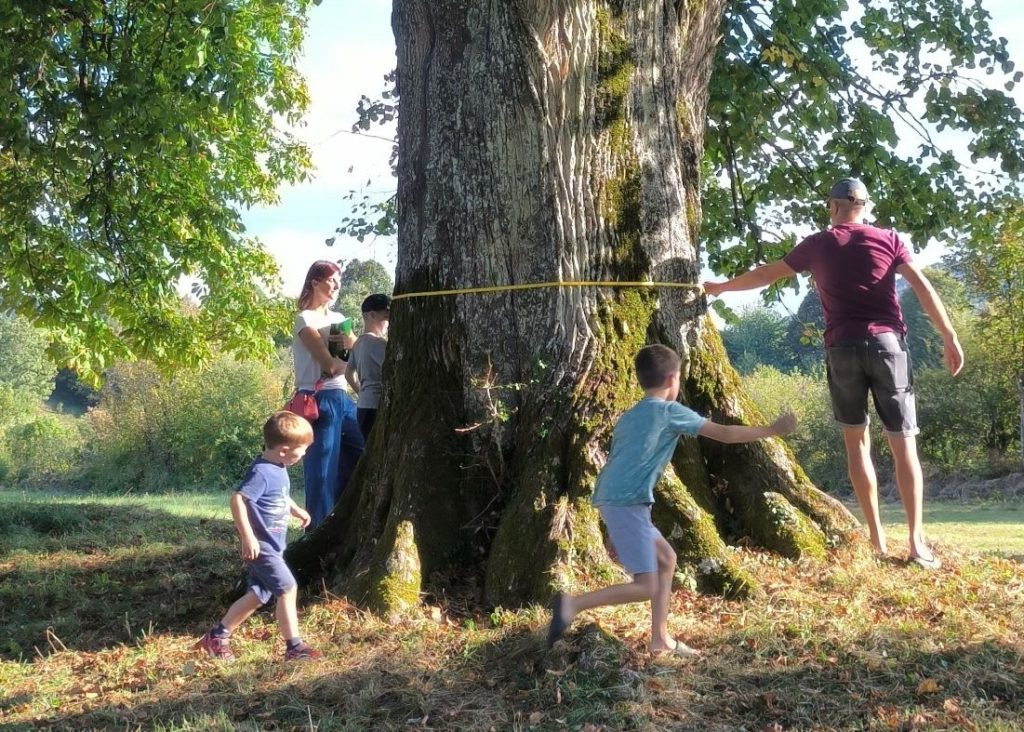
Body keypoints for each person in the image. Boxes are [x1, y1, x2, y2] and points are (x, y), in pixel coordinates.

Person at [703, 178, 964, 569]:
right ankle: (915, 543)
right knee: (903, 443)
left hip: (842, 348)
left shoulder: (818, 244)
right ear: (864, 206)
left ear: (833, 206)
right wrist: (949, 335)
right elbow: (924, 288)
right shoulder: (890, 239)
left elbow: (766, 274)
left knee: (857, 444)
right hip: (888, 346)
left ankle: (877, 542)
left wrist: (722, 287)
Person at [547, 344, 796, 656]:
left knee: (666, 559)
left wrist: (615, 524)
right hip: (626, 502)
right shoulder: (669, 412)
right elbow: (725, 433)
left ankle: (660, 638)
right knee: (646, 585)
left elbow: (621, 462)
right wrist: (771, 429)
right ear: (671, 379)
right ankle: (572, 604)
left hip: (621, 500)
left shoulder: (629, 417)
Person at [198, 411, 320, 661]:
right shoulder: (262, 471)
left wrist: (295, 509)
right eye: (302, 450)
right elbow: (238, 499)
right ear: (284, 449)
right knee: (288, 587)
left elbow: (278, 495)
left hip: (275, 546)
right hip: (262, 546)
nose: (304, 454)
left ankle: (217, 636)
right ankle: (294, 647)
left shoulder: (278, 466)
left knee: (258, 595)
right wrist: (248, 537)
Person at [293, 260, 365, 529]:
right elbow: (331, 365)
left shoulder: (337, 320)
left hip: (343, 400)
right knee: (321, 474)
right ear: (315, 282)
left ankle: (344, 524)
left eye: (339, 281)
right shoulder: (305, 319)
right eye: (332, 280)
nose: (337, 286)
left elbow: (355, 358)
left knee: (364, 454)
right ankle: (317, 532)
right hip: (318, 401)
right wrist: (350, 361)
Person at [345, 293, 391, 440]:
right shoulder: (379, 343)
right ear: (371, 315)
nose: (388, 322)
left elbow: (348, 374)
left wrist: (361, 392)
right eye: (385, 317)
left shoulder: (358, 343)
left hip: (363, 405)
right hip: (377, 405)